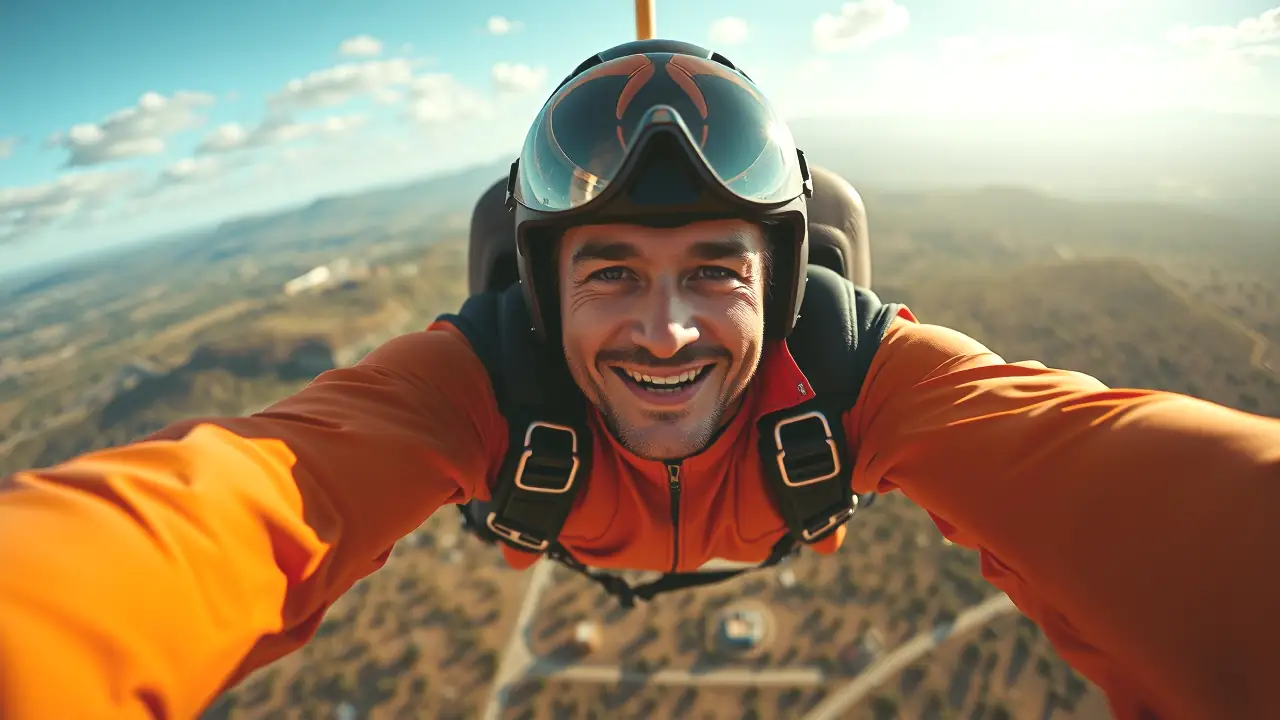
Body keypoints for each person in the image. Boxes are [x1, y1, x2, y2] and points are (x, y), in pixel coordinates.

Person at [1, 39, 1277, 720]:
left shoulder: (851, 372)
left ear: (778, 285)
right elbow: (227, 511)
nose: (665, 331)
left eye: (714, 269)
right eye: (608, 269)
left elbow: (1114, 467)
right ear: (540, 292)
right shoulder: (472, 385)